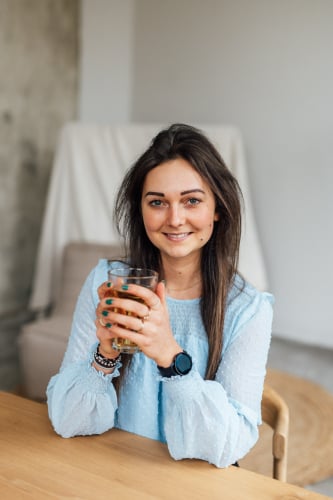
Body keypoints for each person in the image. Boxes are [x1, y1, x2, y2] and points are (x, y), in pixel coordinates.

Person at [47, 123, 273, 468]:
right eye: (157, 202)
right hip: (111, 471)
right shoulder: (107, 284)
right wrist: (105, 353)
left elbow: (227, 446)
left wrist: (171, 356)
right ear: (141, 209)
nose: (175, 219)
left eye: (191, 201)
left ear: (218, 208)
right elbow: (68, 421)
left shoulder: (247, 309)